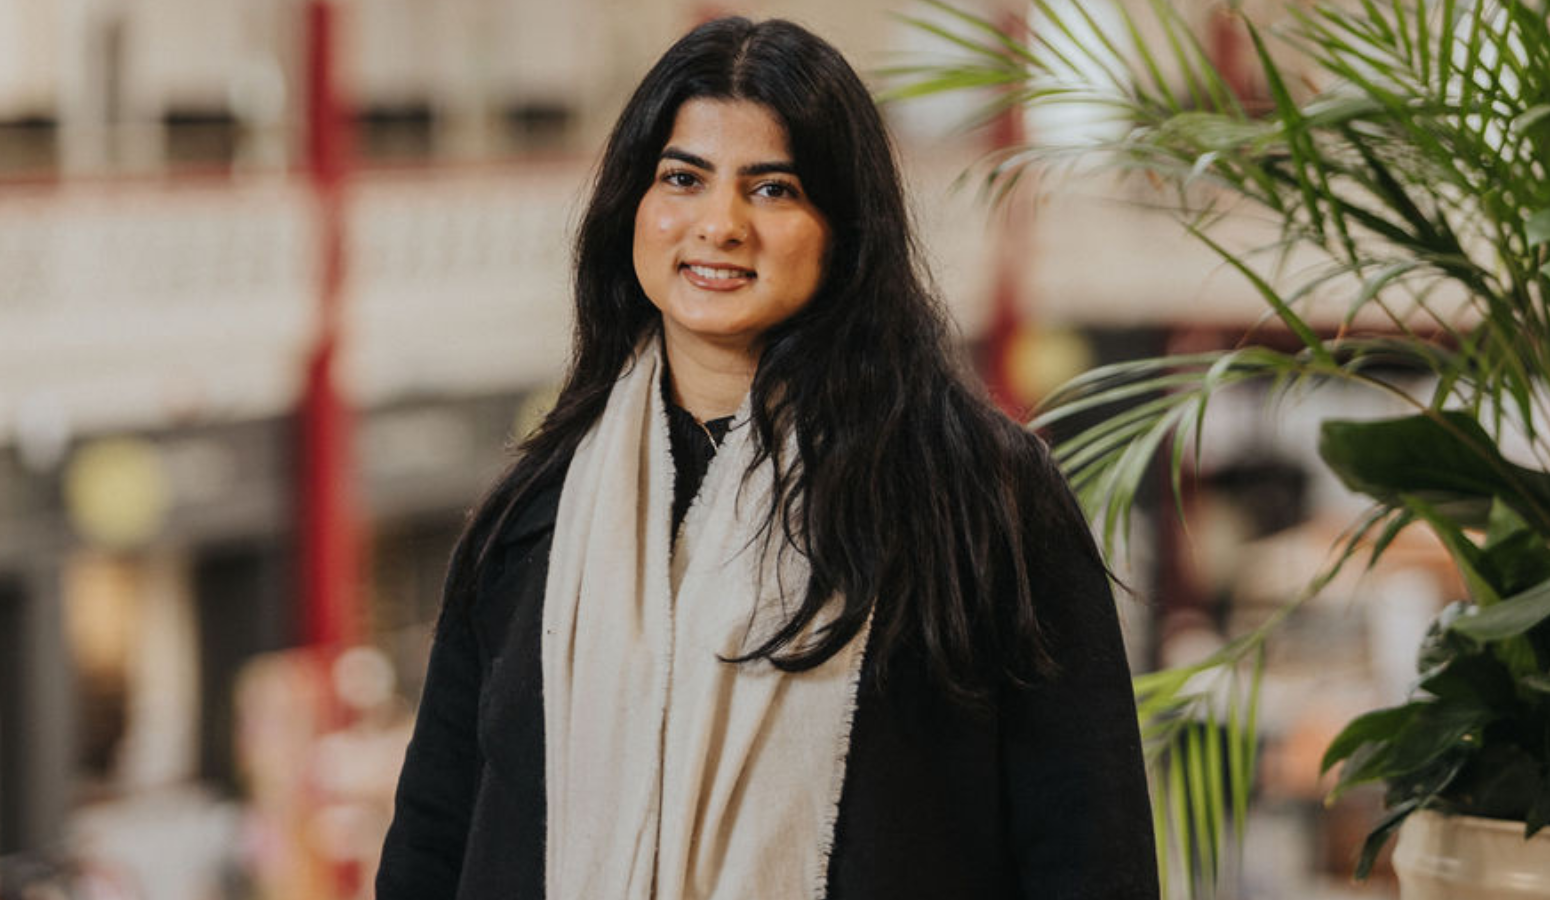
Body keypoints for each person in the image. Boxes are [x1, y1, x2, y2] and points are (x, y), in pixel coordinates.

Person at [376, 15, 1156, 900]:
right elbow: (431, 845)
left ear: (845, 226)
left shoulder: (976, 498)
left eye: (774, 189)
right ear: (632, 206)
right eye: (683, 178)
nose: (720, 225)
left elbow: (1092, 856)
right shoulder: (533, 518)